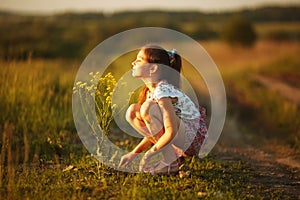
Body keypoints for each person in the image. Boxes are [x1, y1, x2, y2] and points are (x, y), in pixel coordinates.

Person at [119, 44, 208, 175]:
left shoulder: (162, 91)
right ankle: (172, 159)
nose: (133, 63)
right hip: (182, 135)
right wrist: (133, 154)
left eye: (138, 60)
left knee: (147, 108)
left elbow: (171, 131)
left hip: (194, 139)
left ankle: (170, 163)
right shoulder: (151, 92)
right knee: (133, 111)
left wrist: (149, 154)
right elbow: (155, 132)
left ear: (153, 68)